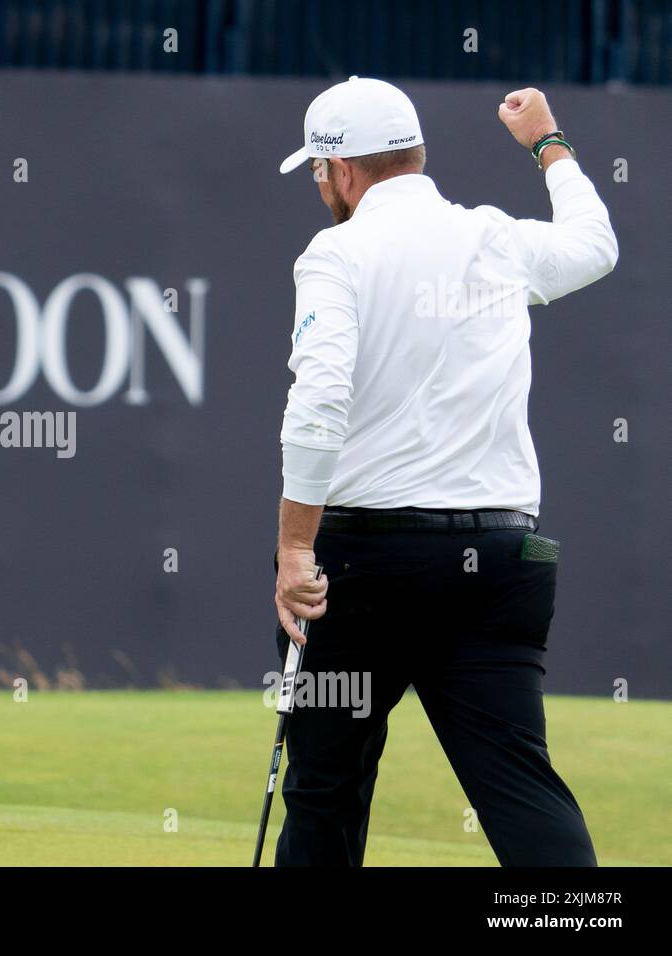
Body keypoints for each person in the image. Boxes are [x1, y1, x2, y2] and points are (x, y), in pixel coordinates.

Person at [271, 77, 618, 866]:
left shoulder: (336, 251)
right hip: (500, 565)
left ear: (343, 172)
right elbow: (596, 246)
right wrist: (547, 143)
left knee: (324, 789)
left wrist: (295, 552)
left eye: (322, 174)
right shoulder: (493, 237)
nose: (323, 189)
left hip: (362, 574)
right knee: (520, 787)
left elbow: (318, 405)